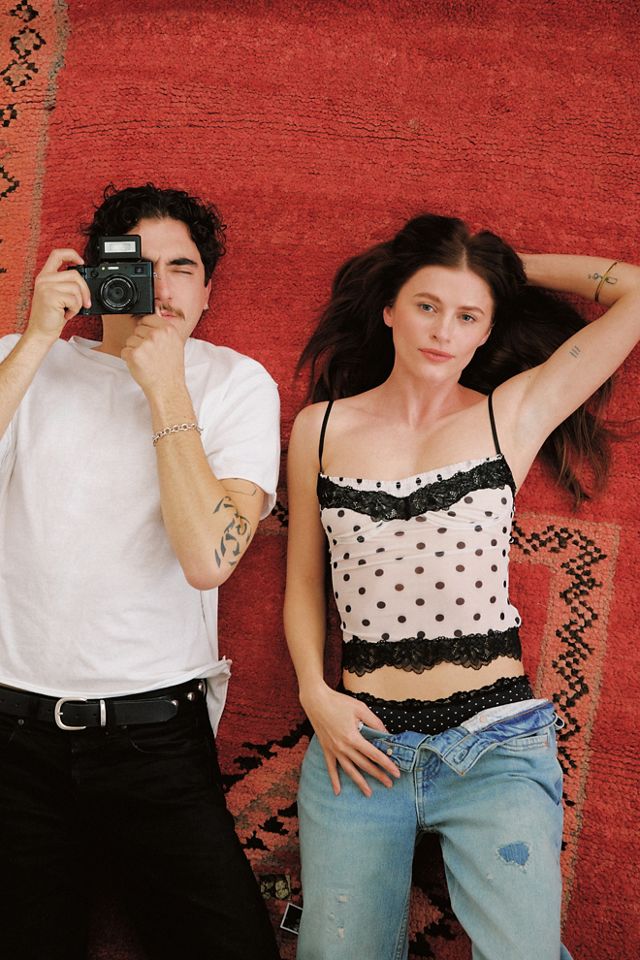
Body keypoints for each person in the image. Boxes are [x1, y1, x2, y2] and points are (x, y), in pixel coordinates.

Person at [284, 213, 640, 960]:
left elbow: (635, 294)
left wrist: (504, 264)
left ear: (487, 329)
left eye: (469, 315)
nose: (444, 330)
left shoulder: (512, 412)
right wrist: (315, 695)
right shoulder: (320, 428)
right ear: (390, 308)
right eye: (427, 305)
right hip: (360, 742)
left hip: (495, 744)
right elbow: (305, 584)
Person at [0, 184, 281, 960]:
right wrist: (37, 336)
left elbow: (209, 559)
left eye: (182, 267)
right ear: (96, 276)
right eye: (137, 264)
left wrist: (165, 389)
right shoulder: (23, 360)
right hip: (11, 734)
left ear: (209, 290)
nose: (159, 286)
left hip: (154, 736)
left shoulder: (235, 382)